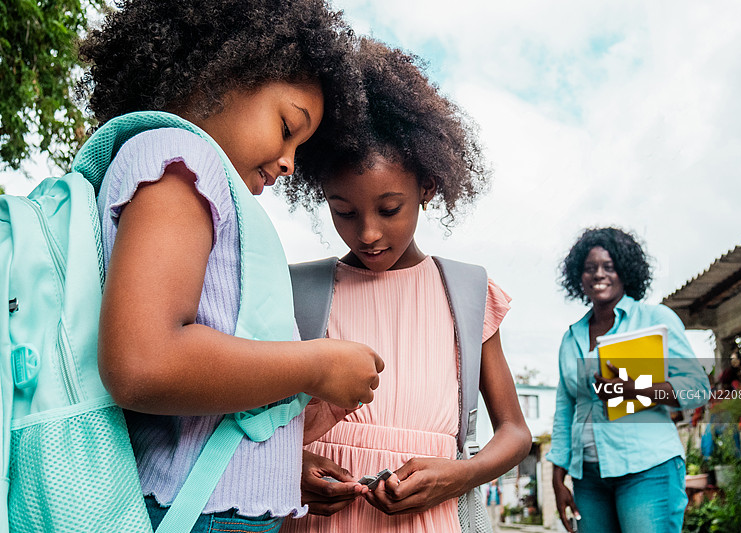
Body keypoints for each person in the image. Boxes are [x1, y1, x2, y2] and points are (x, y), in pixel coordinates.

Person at [79, 1, 384, 530]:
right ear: (221, 73)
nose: (289, 163)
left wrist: (299, 412)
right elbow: (144, 363)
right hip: (200, 513)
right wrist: (315, 364)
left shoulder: (191, 178)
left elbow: (204, 400)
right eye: (288, 126)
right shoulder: (179, 160)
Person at [278, 39, 532, 532]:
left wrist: (459, 476)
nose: (368, 233)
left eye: (389, 209)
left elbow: (515, 433)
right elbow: (253, 427)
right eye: (343, 212)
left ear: (428, 188)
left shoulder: (467, 292)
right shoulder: (296, 291)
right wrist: (291, 468)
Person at [546, 227, 710, 533]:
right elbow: (566, 408)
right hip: (589, 480)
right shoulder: (572, 338)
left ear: (625, 271)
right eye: (589, 268)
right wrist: (558, 474)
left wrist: (636, 391)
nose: (599, 274)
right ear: (578, 277)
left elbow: (697, 387)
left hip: (647, 470)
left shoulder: (655, 319)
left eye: (609, 267)